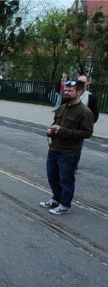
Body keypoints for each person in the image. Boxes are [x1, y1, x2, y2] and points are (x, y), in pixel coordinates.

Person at [40, 80, 94, 215]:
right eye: (66, 89)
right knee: (52, 177)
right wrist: (50, 131)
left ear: (79, 92)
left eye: (70, 90)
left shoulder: (84, 112)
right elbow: (55, 123)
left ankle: (65, 205)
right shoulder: (62, 107)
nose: (66, 92)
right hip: (54, 149)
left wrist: (62, 130)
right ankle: (56, 199)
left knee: (66, 180)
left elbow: (87, 133)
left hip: (69, 152)